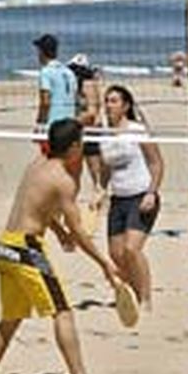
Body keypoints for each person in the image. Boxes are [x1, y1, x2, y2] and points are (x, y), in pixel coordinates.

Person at [0, 118, 127, 374]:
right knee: (62, 311)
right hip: (26, 249)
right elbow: (79, 231)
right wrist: (104, 263)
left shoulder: (37, 165)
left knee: (11, 318)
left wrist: (58, 233)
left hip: (4, 247)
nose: (83, 146)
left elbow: (38, 205)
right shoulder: (63, 181)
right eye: (81, 142)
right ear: (73, 147)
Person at [98, 85, 164, 310]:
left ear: (125, 106)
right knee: (116, 254)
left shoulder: (137, 130)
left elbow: (156, 163)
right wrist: (100, 189)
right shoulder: (103, 134)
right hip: (119, 197)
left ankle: (146, 298)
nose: (108, 105)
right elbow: (106, 168)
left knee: (131, 250)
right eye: (107, 101)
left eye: (114, 101)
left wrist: (151, 192)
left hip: (141, 195)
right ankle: (133, 294)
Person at [68, 54, 105, 201]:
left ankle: (99, 190)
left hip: (91, 129)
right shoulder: (79, 85)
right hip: (82, 128)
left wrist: (72, 122)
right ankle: (74, 192)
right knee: (76, 163)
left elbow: (92, 112)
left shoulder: (88, 84)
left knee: (93, 162)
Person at [33, 34, 78, 131]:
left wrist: (40, 123)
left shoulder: (46, 72)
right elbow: (75, 99)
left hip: (53, 127)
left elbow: (45, 102)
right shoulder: (69, 72)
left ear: (41, 52)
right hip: (69, 124)